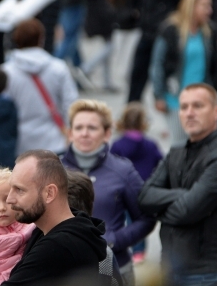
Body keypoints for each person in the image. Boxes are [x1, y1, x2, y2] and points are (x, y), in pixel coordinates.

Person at [0, 150, 107, 286]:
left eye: (19, 190)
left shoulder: (60, 246)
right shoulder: (49, 230)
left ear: (49, 193)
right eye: (11, 188)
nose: (10, 199)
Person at [139, 84, 217, 286]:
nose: (189, 113)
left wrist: (161, 209)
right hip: (169, 271)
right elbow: (144, 197)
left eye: (198, 106)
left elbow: (187, 211)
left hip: (206, 276)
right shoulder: (176, 151)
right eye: (184, 107)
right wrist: (183, 196)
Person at [61, 100, 156, 276]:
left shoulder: (123, 170)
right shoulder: (54, 169)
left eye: (92, 128)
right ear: (70, 133)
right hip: (65, 270)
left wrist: (114, 240)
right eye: (79, 127)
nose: (84, 134)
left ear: (107, 134)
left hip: (114, 268)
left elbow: (146, 218)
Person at [149, 0, 217, 145]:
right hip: (175, 97)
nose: (209, 10)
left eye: (210, 5)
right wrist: (158, 94)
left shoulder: (210, 31)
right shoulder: (171, 30)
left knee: (201, 144)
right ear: (192, 6)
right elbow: (157, 64)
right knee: (180, 144)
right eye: (205, 6)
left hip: (201, 97)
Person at [2, 18, 78, 156]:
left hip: (20, 143)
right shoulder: (59, 68)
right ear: (41, 39)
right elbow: (71, 103)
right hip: (55, 140)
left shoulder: (6, 72)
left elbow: (3, 108)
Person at [110, 102, 163, 263]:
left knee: (121, 219)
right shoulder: (150, 145)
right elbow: (161, 163)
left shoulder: (117, 145)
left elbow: (110, 165)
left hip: (120, 190)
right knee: (139, 220)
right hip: (143, 189)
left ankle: (120, 245)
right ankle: (139, 251)